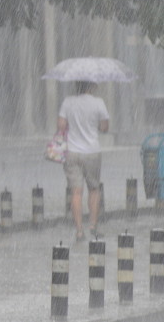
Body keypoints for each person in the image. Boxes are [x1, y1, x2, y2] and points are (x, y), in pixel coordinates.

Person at [57, 81, 109, 242]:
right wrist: (93, 126)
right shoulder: (98, 103)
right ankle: (92, 226)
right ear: (91, 86)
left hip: (72, 152)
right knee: (94, 189)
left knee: (76, 192)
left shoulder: (68, 102)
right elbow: (105, 127)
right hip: (92, 152)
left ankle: (79, 230)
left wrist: (73, 125)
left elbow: (61, 125)